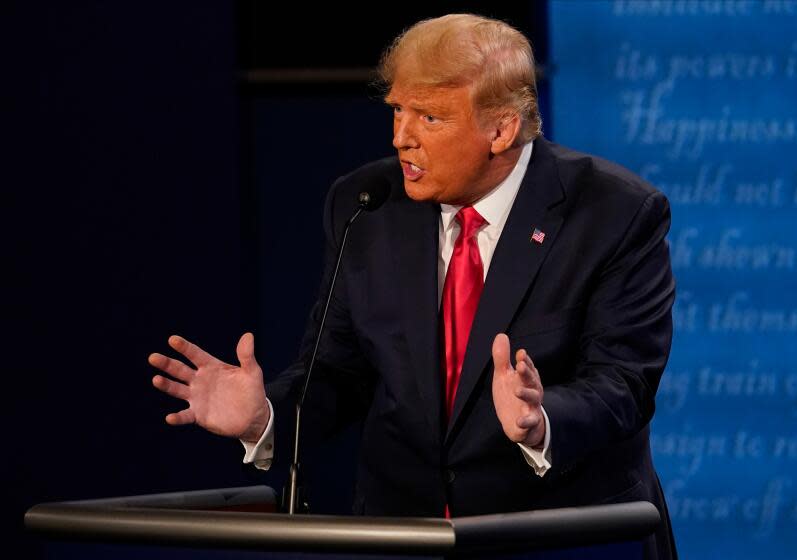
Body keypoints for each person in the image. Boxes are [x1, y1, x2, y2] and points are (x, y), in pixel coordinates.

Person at [150, 14, 677, 559]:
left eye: (430, 116)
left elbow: (623, 384)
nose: (401, 137)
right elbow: (338, 370)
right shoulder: (366, 205)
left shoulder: (614, 213)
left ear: (501, 129)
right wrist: (269, 416)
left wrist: (541, 419)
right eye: (398, 110)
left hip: (557, 536)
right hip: (404, 536)